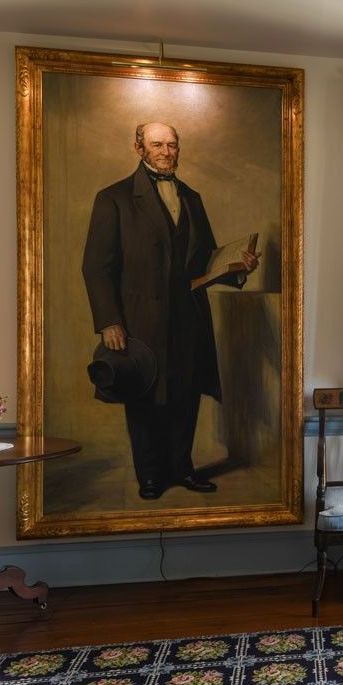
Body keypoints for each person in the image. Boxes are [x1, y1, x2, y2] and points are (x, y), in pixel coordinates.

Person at [82, 122, 259, 500]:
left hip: (189, 317)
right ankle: (150, 475)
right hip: (138, 322)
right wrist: (109, 321)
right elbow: (96, 267)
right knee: (144, 397)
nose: (166, 151)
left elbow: (207, 259)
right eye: (157, 144)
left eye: (172, 145)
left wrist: (237, 267)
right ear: (139, 148)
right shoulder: (113, 198)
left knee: (186, 393)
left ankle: (183, 468)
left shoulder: (192, 197)